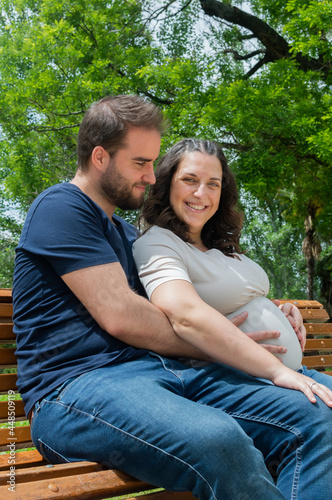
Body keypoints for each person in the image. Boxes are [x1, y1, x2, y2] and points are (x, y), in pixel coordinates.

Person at [133, 138, 332, 498]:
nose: (201, 193)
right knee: (323, 421)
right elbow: (184, 312)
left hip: (282, 375)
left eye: (213, 184)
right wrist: (278, 370)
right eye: (189, 180)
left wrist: (282, 311)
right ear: (167, 184)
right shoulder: (157, 242)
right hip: (232, 379)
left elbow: (245, 298)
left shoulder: (221, 247)